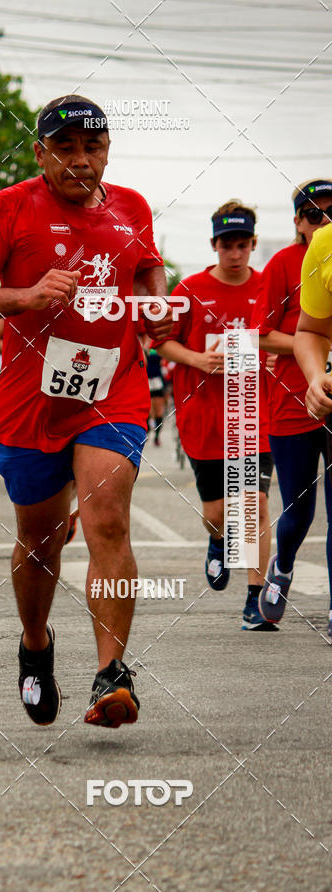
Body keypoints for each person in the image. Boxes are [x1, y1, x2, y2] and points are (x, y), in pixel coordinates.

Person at [0, 94, 171, 728]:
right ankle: (36, 644)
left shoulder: (132, 207)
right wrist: (26, 294)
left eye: (92, 147)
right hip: (32, 400)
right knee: (41, 540)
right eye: (65, 148)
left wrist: (155, 306)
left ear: (107, 150)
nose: (80, 160)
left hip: (112, 389)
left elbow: (149, 269)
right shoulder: (8, 208)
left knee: (106, 519)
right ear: (39, 153)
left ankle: (111, 675)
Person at [155, 201, 275, 630]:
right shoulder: (187, 290)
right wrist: (197, 360)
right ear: (214, 245)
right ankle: (218, 541)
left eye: (243, 245)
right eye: (227, 245)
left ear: (253, 244)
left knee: (253, 504)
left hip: (252, 413)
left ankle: (255, 599)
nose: (236, 253)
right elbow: (160, 343)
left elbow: (284, 338)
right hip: (202, 414)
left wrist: (273, 355)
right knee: (218, 513)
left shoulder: (268, 288)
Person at [251, 179, 332, 630]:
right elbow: (263, 334)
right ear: (298, 222)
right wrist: (318, 357)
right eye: (315, 214)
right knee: (299, 506)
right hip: (291, 399)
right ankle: (282, 564)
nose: (324, 220)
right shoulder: (284, 263)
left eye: (331, 211)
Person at [292, 221, 332, 638]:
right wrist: (316, 376)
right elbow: (311, 331)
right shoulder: (326, 243)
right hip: (290, 414)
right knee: (299, 511)